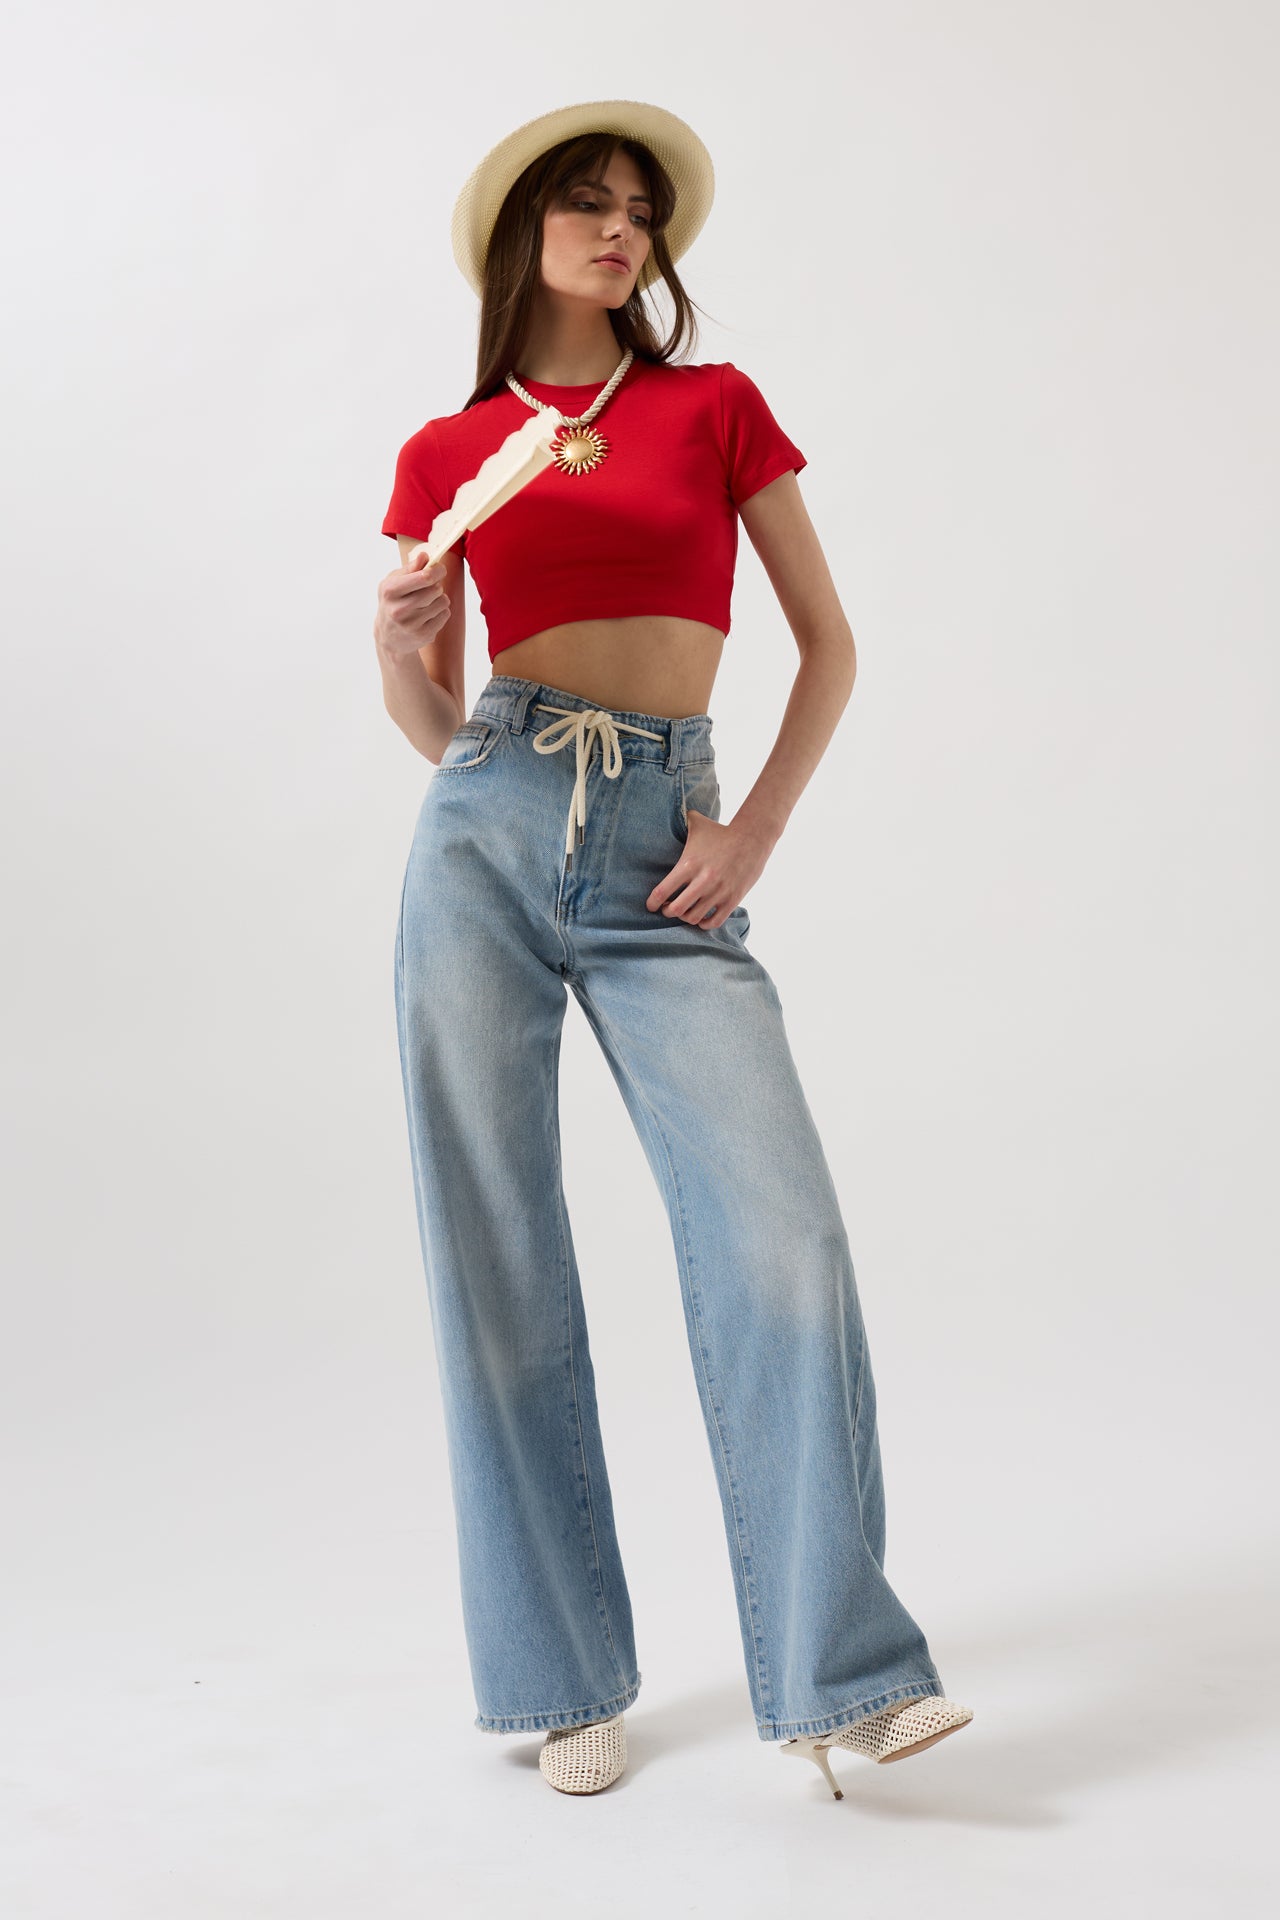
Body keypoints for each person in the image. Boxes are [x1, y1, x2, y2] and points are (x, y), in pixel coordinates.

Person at [373, 99, 973, 1798]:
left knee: (782, 1241)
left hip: (667, 842)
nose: (620, 229)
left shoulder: (712, 407)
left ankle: (842, 1673)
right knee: (494, 1257)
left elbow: (829, 642)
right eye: (587, 203)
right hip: (485, 825)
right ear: (524, 235)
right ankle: (561, 1678)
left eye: (639, 209)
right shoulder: (446, 448)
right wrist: (404, 646)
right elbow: (432, 727)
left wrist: (751, 828)